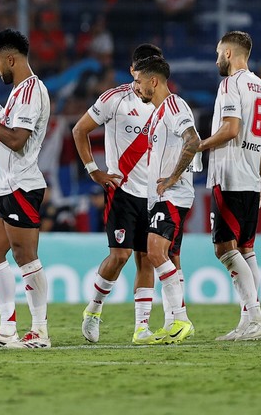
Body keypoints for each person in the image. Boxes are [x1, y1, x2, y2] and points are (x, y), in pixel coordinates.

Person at [73, 44, 162, 345]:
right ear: (133, 70)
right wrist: (93, 170)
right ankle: (93, 311)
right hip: (122, 191)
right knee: (120, 255)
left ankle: (142, 328)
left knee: (147, 257)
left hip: (152, 195)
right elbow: (79, 130)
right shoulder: (114, 99)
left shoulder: (166, 104)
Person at [0, 28, 51, 349]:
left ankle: (40, 331)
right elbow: (8, 138)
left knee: (25, 255)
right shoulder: (18, 92)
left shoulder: (32, 91)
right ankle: (7, 330)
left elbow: (17, 140)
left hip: (22, 184)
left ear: (10, 59)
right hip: (2, 185)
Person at [198, 31, 261, 341]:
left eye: (219, 53)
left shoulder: (231, 84)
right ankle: (248, 321)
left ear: (228, 54)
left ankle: (256, 318)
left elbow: (230, 130)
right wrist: (257, 177)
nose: (217, 58)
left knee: (224, 248)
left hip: (229, 176)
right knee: (246, 249)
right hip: (251, 179)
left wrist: (198, 146)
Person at [131, 55, 197, 344]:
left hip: (172, 194)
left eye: (138, 81)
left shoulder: (174, 106)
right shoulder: (158, 112)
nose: (136, 87)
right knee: (168, 256)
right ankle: (172, 322)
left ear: (153, 81)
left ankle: (181, 319)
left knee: (154, 252)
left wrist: (172, 178)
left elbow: (193, 140)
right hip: (161, 197)